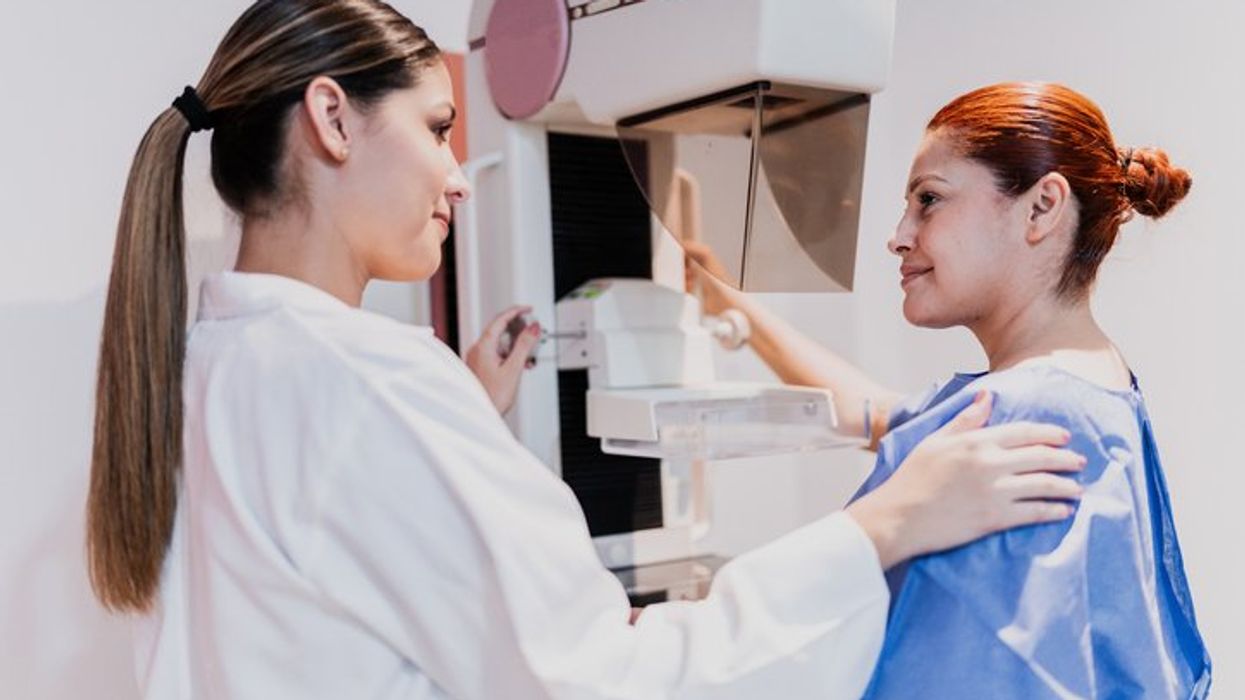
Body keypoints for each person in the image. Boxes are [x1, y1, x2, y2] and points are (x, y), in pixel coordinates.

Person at [85, 3, 1088, 698]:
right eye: (438, 128)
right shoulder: (365, 388)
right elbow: (604, 680)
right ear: (332, 119)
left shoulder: (203, 366)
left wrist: (456, 425)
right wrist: (878, 528)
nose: (457, 173)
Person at [690, 82, 1211, 697]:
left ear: (1042, 208)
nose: (899, 235)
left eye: (929, 200)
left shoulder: (1022, 415)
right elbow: (876, 414)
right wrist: (724, 301)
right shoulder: (1090, 386)